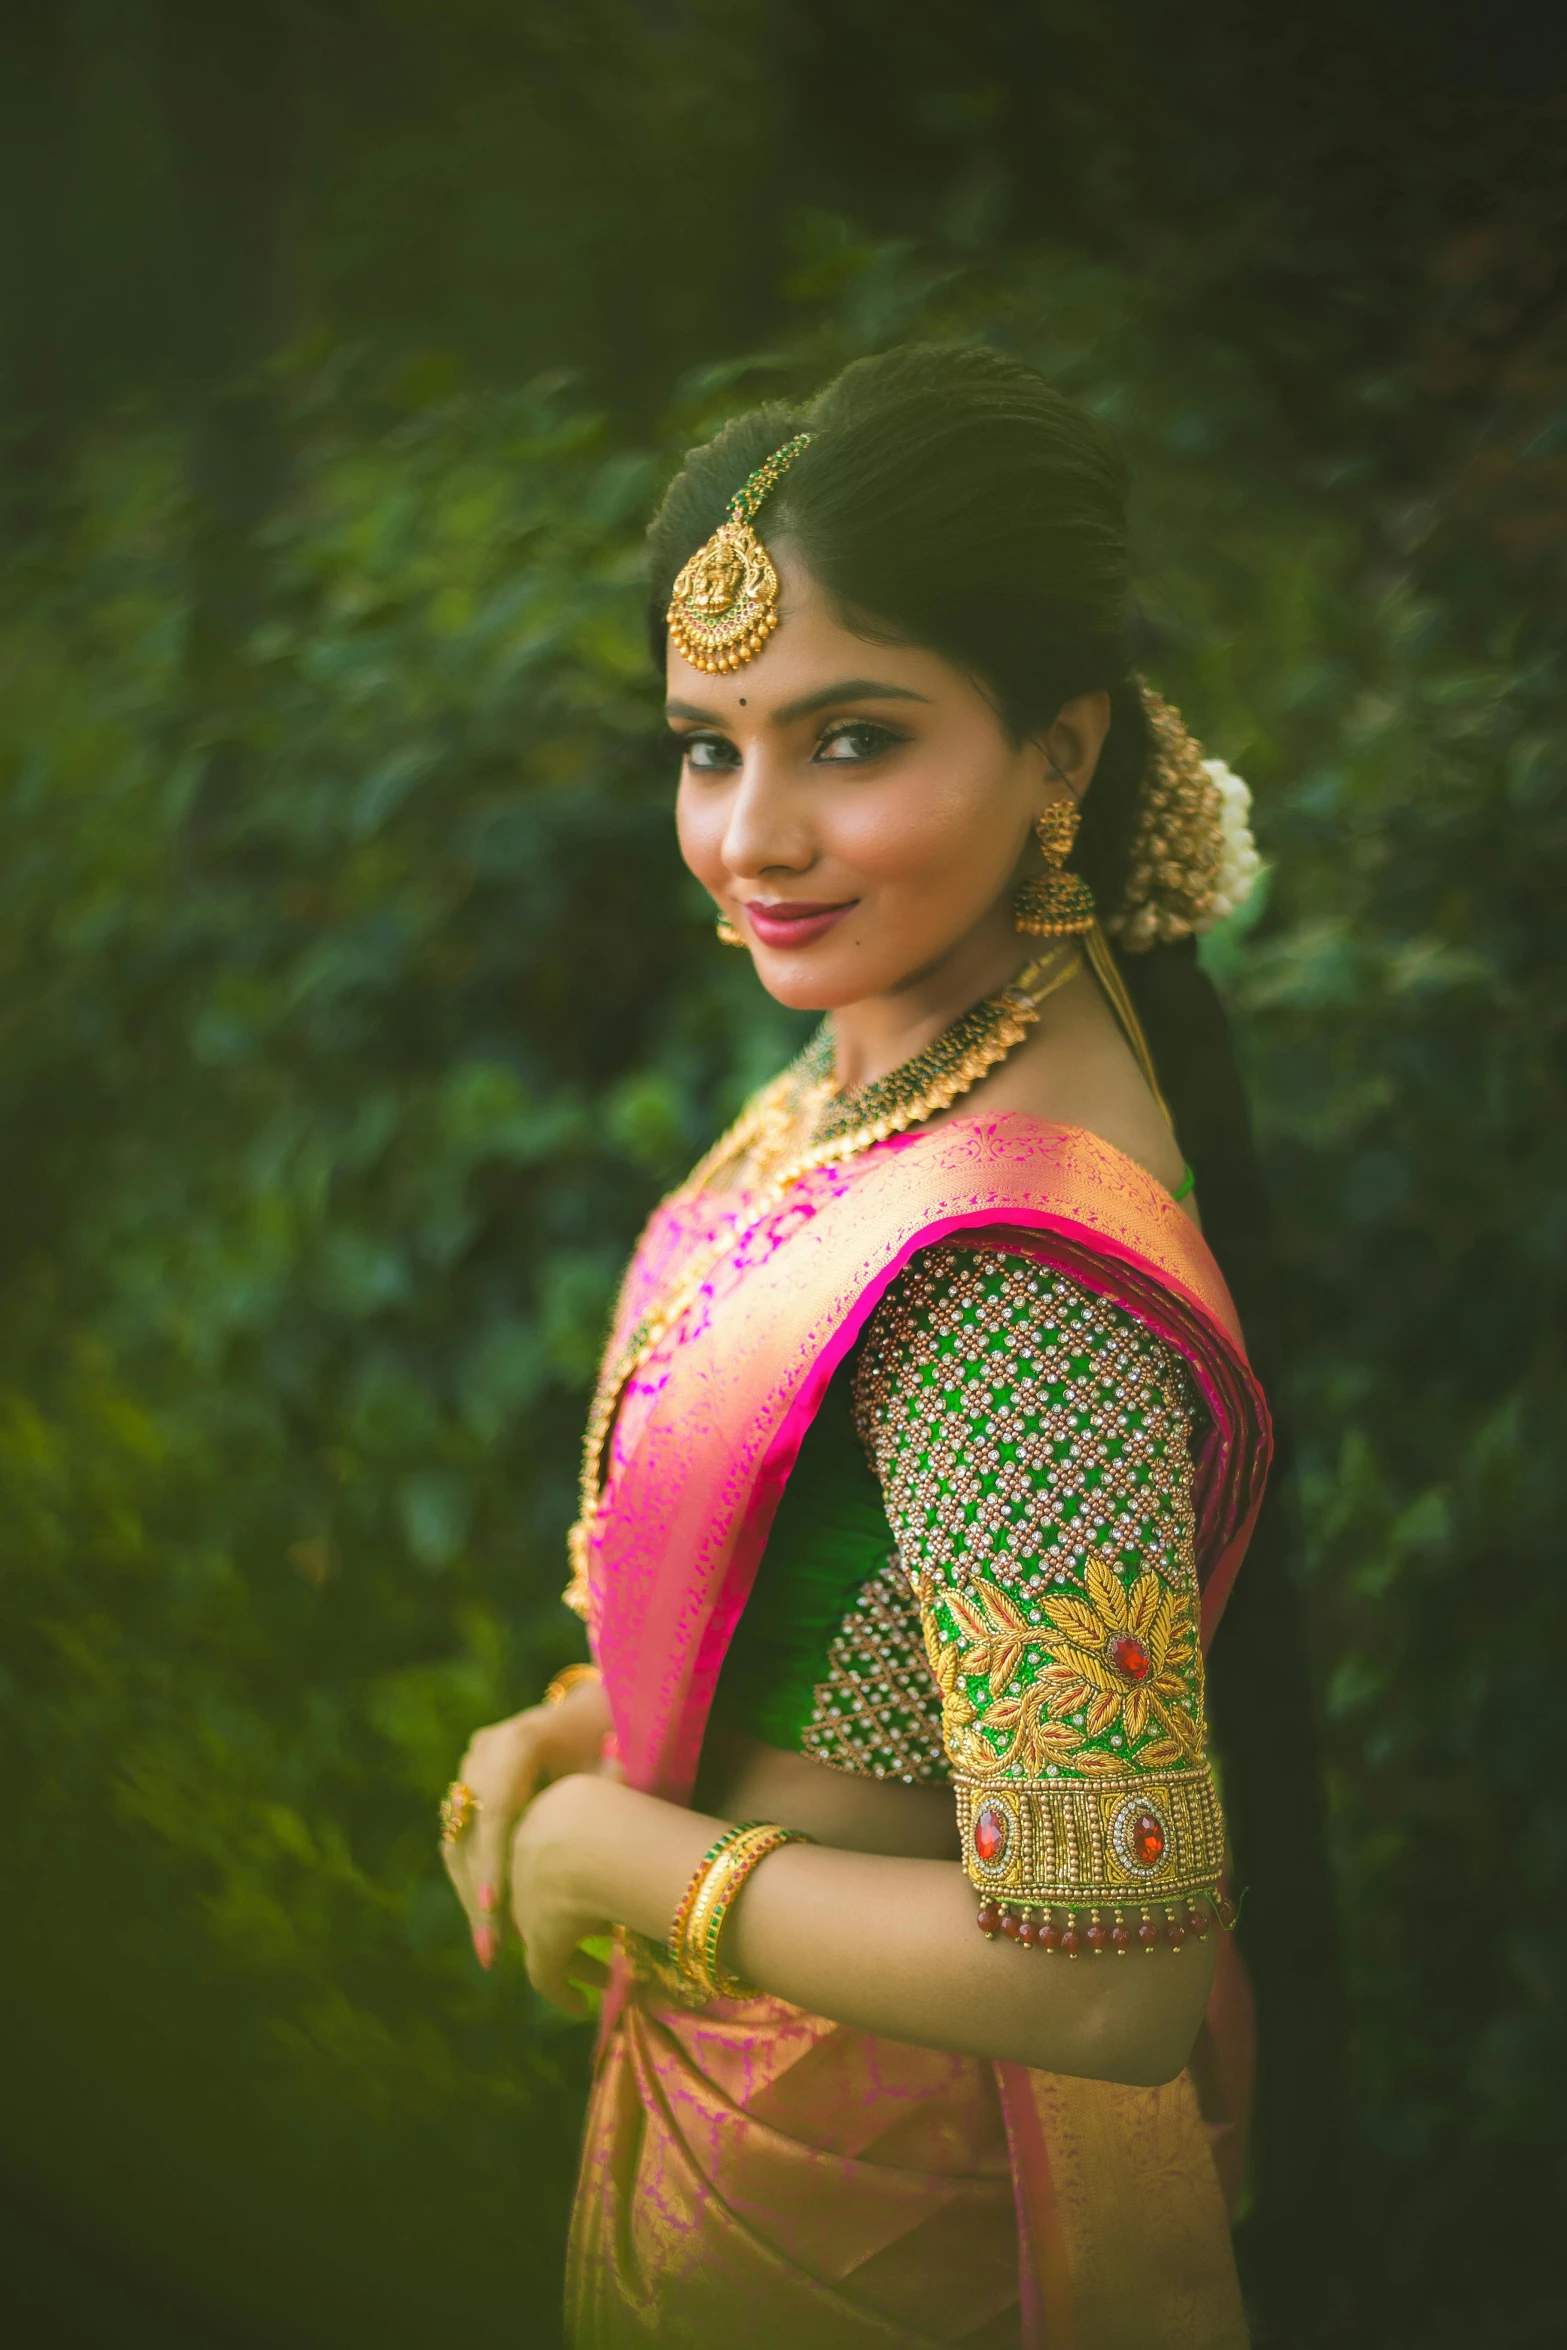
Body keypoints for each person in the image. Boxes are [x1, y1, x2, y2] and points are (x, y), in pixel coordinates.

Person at [441, 345, 1276, 2347]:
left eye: (851, 739)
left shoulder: (1012, 1290)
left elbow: (1105, 1975)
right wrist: (594, 1726)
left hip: (903, 2212)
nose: (753, 839)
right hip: (750, 2108)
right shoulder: (892, 1051)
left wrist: (630, 1848)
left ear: (1060, 754)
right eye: (708, 746)